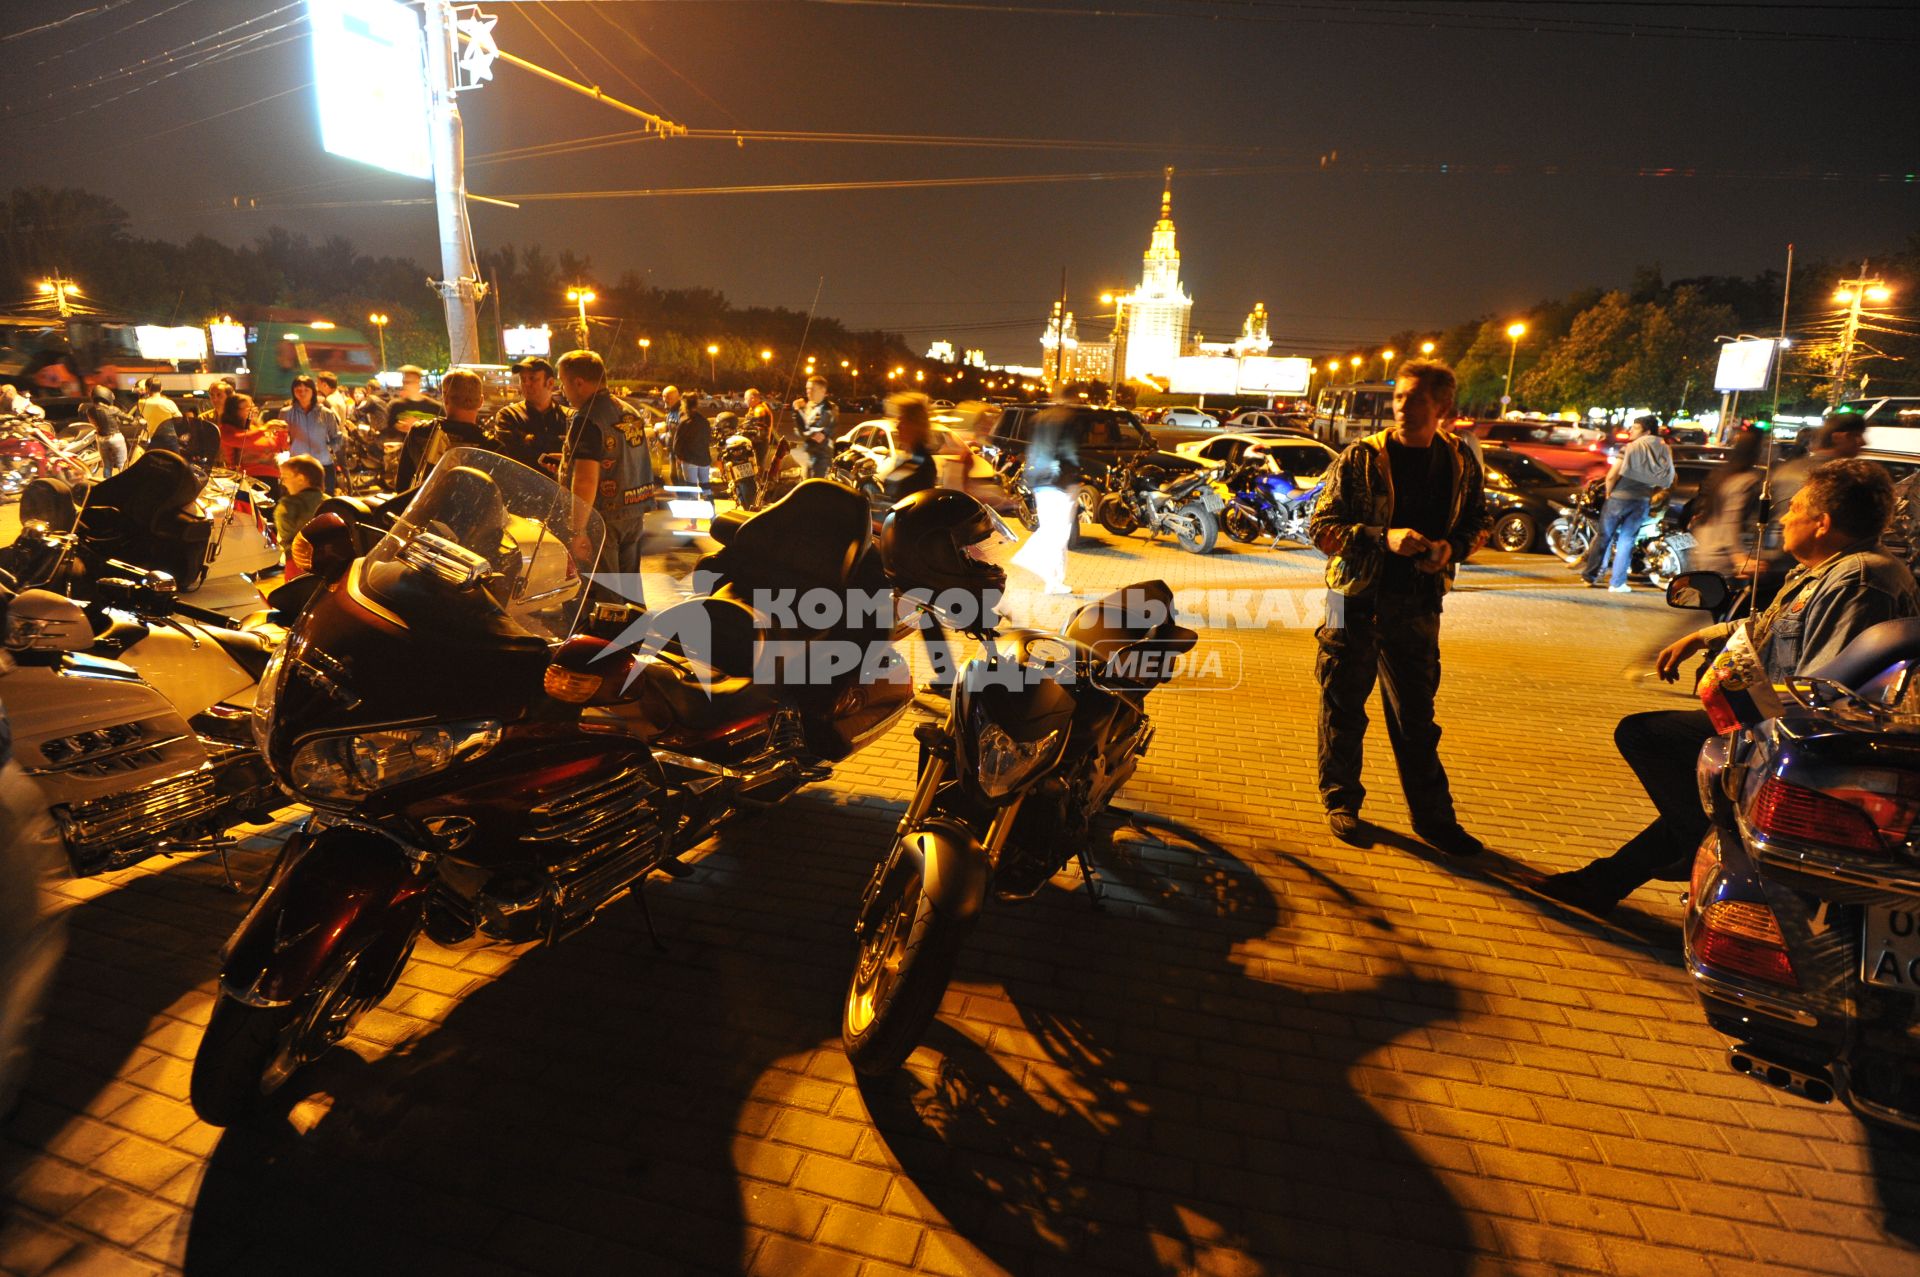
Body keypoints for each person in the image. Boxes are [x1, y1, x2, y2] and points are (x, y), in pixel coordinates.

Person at [1541, 458, 1920, 916]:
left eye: (1793, 508)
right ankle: (1603, 882)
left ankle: (1696, 847)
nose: (1782, 518)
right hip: (1772, 725)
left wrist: (1742, 705)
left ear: (1821, 523)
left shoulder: (1860, 581)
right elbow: (1776, 622)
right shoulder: (1832, 569)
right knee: (1702, 798)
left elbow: (1825, 691)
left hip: (1791, 740)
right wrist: (1704, 635)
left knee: (1647, 737)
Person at [1308, 358, 1492, 857]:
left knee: (1417, 718)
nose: (1401, 406)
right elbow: (1320, 529)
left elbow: (1478, 522)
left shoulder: (1458, 461)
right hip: (1349, 599)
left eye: (1414, 399)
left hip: (1417, 606)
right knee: (1342, 704)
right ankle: (1341, 800)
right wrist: (1380, 538)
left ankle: (1434, 820)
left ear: (1443, 407)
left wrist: (1452, 549)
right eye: (1399, 397)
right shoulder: (1361, 458)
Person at [557, 348, 654, 576]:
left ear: (579, 383)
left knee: (605, 596)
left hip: (602, 519)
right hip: (633, 512)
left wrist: (577, 530)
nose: (562, 390)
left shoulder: (588, 418)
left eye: (563, 382)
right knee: (630, 588)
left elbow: (586, 479)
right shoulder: (629, 411)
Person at [1581, 414, 1674, 593]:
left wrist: (1609, 491)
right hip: (1641, 500)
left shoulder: (1630, 448)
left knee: (1604, 537)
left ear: (1647, 431)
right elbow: (1666, 477)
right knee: (1627, 540)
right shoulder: (1664, 448)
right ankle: (1617, 583)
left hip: (1619, 497)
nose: (1630, 430)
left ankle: (1590, 576)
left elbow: (1612, 475)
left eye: (1635, 428)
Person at [1009, 405, 1080, 596]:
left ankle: (1054, 580)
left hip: (1041, 481)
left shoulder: (1039, 419)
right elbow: (1069, 452)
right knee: (1057, 532)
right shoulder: (1067, 420)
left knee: (1055, 531)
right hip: (1058, 481)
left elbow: (1032, 450)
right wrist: (1073, 482)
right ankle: (1036, 564)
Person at [396, 368, 496, 490]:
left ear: (445, 398)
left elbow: (402, 486)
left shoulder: (419, 432)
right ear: (481, 401)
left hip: (425, 508)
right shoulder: (492, 446)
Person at [1688, 427, 1765, 575]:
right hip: (1722, 556)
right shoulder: (1746, 480)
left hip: (1705, 548)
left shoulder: (1723, 474)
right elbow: (1730, 519)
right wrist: (1739, 557)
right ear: (1757, 450)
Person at [492, 356, 571, 473]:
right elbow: (514, 454)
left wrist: (530, 441)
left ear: (549, 383)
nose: (526, 383)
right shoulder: (509, 415)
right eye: (522, 379)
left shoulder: (569, 417)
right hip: (523, 486)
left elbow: (577, 456)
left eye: (532, 378)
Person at [282, 374, 345, 493]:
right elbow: (281, 438)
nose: (302, 393)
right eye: (298, 390)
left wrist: (329, 450)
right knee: (301, 504)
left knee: (324, 503)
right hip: (297, 468)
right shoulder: (286, 413)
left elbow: (337, 437)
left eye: (306, 389)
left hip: (323, 465)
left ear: (313, 391)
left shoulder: (326, 413)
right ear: (293, 392)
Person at [275, 454, 327, 569]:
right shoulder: (329, 501)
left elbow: (286, 536)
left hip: (297, 563)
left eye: (285, 478)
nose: (283, 483)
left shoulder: (288, 505)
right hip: (329, 563)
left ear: (301, 479)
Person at [81, 385, 131, 477]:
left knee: (107, 465)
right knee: (122, 464)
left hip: (101, 440)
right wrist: (135, 419)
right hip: (115, 438)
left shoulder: (90, 411)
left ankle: (107, 484)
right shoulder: (112, 409)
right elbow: (128, 417)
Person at [793, 375, 836, 479]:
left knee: (816, 491)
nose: (808, 392)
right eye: (807, 389)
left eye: (812, 389)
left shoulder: (828, 409)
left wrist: (798, 411)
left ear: (822, 390)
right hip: (810, 456)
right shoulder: (812, 407)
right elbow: (801, 432)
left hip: (822, 460)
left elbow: (808, 432)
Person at [384, 365, 444, 439]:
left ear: (418, 383)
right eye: (404, 382)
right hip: (403, 448)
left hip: (427, 449)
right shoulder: (395, 406)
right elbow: (388, 432)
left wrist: (418, 426)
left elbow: (442, 434)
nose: (404, 385)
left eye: (408, 382)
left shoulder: (436, 407)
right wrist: (399, 428)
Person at [672, 389, 713, 492]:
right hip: (704, 458)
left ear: (684, 404)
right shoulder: (704, 421)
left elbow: (678, 441)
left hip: (689, 459)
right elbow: (709, 439)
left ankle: (694, 506)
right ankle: (710, 505)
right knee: (705, 486)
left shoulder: (685, 421)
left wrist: (678, 455)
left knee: (691, 488)